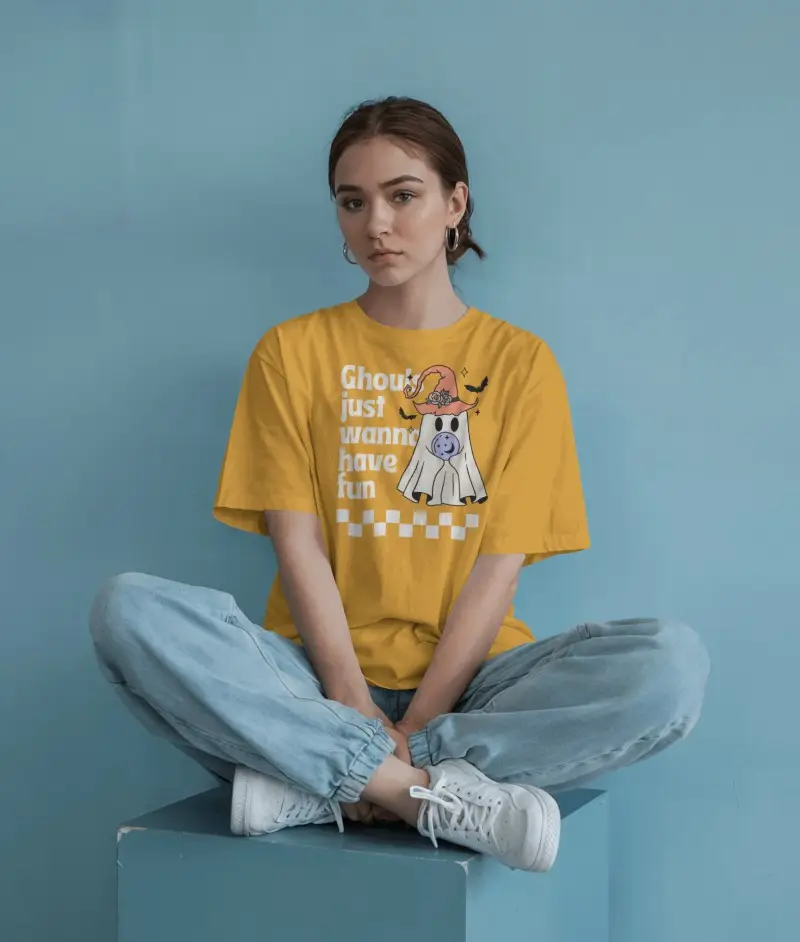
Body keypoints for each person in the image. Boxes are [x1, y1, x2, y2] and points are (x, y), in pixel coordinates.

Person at [89, 96, 710, 874]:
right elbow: (298, 544)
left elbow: (498, 565)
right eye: (353, 202)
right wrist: (351, 710)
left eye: (403, 195)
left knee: (670, 665)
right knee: (129, 611)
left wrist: (415, 725)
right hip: (310, 680)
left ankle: (329, 784)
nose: (376, 223)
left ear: (456, 203)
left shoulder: (520, 365)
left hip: (479, 690)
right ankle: (426, 797)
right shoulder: (292, 352)